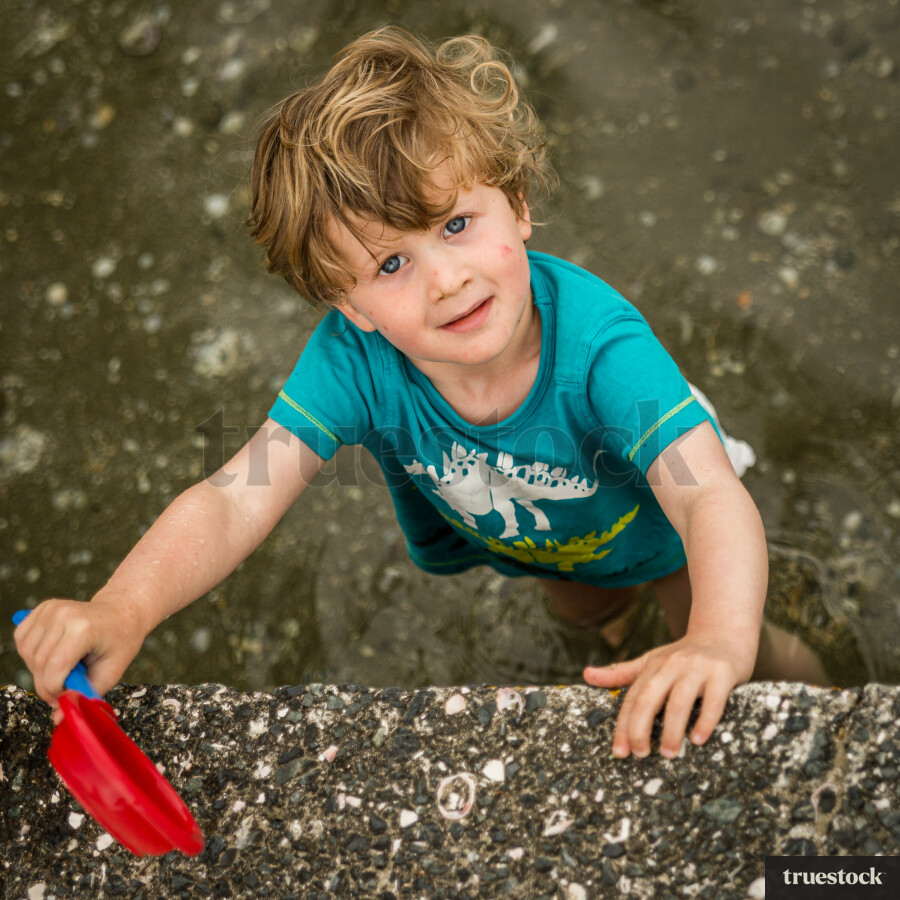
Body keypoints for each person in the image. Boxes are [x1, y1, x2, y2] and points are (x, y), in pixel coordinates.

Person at [14, 27, 825, 759]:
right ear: (349, 304)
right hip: (548, 536)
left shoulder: (601, 349)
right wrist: (121, 610)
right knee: (581, 614)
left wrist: (720, 639)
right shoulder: (354, 362)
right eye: (390, 265)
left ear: (518, 202)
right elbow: (235, 499)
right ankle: (613, 635)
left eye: (457, 224)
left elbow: (707, 496)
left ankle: (819, 700)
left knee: (725, 644)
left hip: (656, 521)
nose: (448, 280)